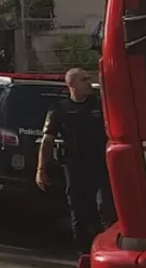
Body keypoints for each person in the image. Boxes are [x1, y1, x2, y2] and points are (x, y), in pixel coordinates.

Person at [37, 67, 116, 256]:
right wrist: (41, 169)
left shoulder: (99, 105)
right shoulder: (60, 109)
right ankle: (84, 253)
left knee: (105, 207)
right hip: (75, 165)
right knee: (79, 209)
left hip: (100, 164)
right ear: (71, 84)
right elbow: (47, 140)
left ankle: (109, 250)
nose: (89, 83)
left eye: (89, 79)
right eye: (84, 80)